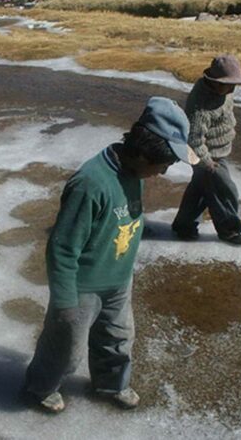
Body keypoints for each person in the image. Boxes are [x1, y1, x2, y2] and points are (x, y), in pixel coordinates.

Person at [24, 97, 199, 413]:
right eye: (166, 162)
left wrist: (124, 271)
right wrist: (64, 301)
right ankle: (39, 387)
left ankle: (110, 384)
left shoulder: (136, 175)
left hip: (118, 281)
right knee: (65, 349)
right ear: (145, 151)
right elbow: (62, 247)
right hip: (81, 289)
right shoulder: (91, 183)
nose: (166, 170)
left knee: (118, 339)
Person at [172, 54, 241, 245]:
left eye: (235, 84)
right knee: (225, 190)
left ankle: (183, 226)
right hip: (208, 156)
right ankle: (229, 231)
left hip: (218, 152)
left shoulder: (224, 91)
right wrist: (207, 162)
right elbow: (194, 140)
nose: (232, 88)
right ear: (213, 82)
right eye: (229, 84)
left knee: (199, 191)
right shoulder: (201, 106)